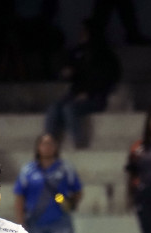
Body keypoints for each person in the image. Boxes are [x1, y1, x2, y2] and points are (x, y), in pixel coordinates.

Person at [45, 17, 121, 147]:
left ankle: (79, 145)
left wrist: (89, 93)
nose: (80, 34)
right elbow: (69, 70)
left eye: (84, 31)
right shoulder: (77, 52)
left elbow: (108, 79)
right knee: (54, 108)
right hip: (75, 93)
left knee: (69, 109)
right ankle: (48, 144)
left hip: (96, 97)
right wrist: (67, 72)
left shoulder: (105, 56)